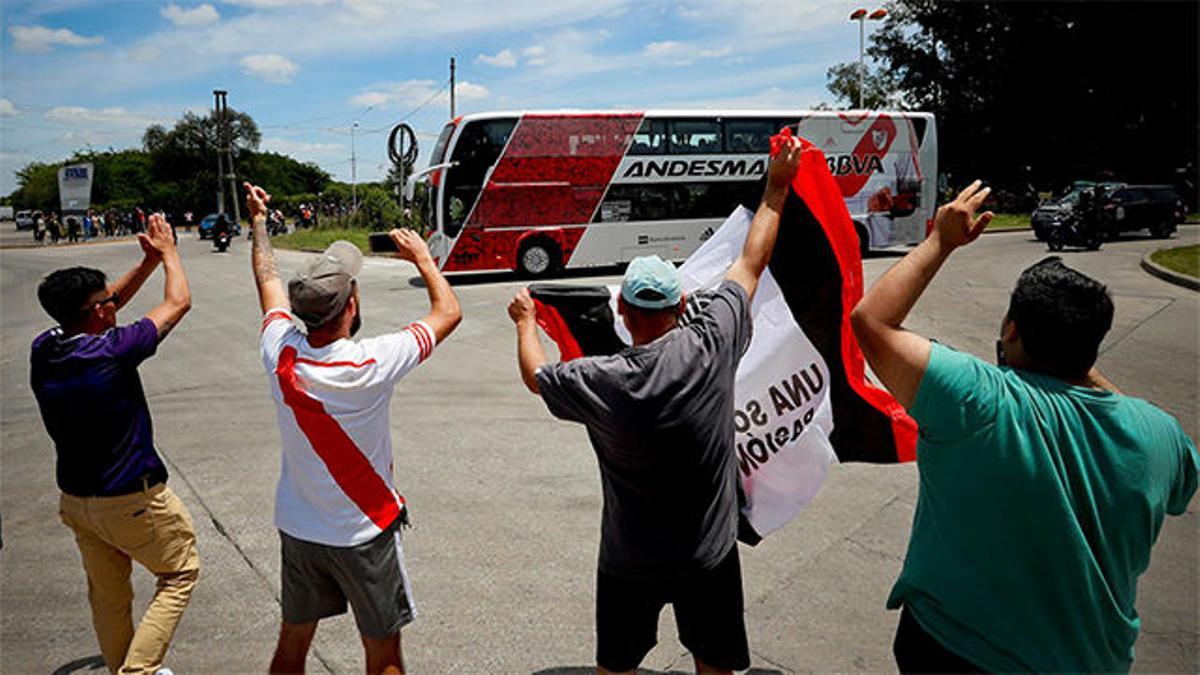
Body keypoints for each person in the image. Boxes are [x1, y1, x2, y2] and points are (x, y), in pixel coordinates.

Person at [850, 181, 1198, 672]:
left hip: (955, 651)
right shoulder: (1163, 435)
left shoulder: (978, 400)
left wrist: (941, 239)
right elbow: (1181, 489)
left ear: (1011, 329)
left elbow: (871, 322)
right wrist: (1079, 361)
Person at [506, 136, 804, 675]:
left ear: (622, 307)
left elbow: (536, 376)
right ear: (682, 303)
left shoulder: (602, 379)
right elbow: (752, 261)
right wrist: (776, 188)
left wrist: (527, 321)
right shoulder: (712, 340)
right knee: (716, 666)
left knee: (615, 668)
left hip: (628, 561)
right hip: (708, 557)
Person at [243, 181, 461, 675]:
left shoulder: (279, 350)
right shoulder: (369, 363)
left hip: (299, 528)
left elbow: (266, 278)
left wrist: (258, 221)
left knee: (292, 644)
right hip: (362, 532)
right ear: (352, 307)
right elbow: (449, 312)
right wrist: (424, 258)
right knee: (382, 652)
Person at [30, 213, 198, 674]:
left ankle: (121, 665)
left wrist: (145, 263)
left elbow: (108, 302)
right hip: (132, 499)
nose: (115, 305)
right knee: (180, 572)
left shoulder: (45, 348)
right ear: (99, 313)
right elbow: (178, 301)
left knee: (109, 597)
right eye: (107, 303)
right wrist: (169, 256)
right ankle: (137, 672)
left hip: (78, 502)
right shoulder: (113, 350)